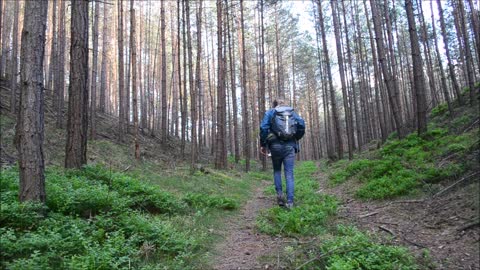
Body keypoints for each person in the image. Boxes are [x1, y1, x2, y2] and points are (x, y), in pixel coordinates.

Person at [260, 98, 305, 209]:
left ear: (274, 105)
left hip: (274, 146)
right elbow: (302, 125)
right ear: (285, 104)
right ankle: (290, 202)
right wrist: (295, 138)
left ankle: (280, 195)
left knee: (277, 171)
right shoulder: (292, 112)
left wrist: (263, 143)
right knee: (289, 173)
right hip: (290, 145)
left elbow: (263, 127)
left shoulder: (271, 112)